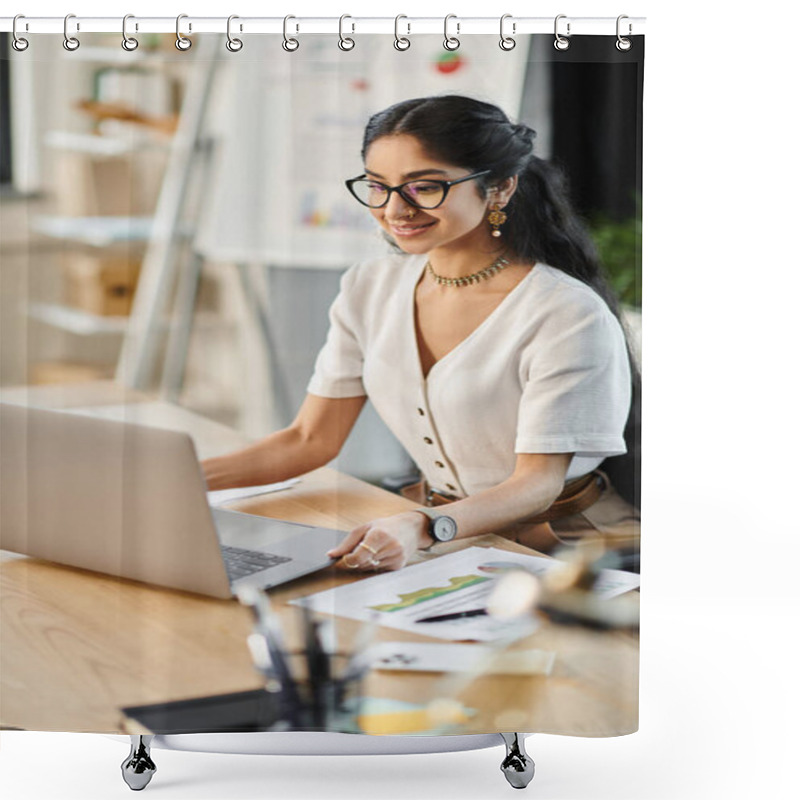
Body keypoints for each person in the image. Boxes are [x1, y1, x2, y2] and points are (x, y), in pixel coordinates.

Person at [202, 94, 639, 573]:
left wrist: (424, 526)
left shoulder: (564, 313)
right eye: (378, 186)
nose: (395, 210)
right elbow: (309, 439)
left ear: (499, 189)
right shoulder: (367, 287)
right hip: (441, 532)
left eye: (425, 187)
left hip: (572, 544)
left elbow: (537, 483)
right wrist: (179, 481)